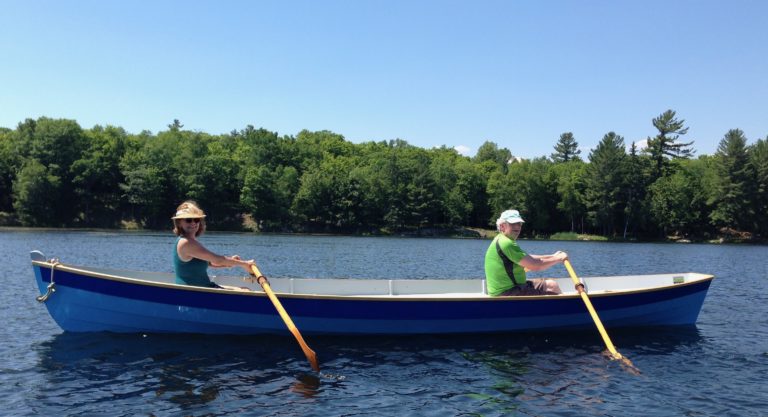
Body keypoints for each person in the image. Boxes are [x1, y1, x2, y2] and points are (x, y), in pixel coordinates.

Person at [171, 201, 256, 288]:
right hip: (192, 292)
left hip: (203, 288)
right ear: (179, 223)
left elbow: (210, 263)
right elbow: (218, 260)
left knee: (245, 289)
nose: (193, 223)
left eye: (196, 220)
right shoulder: (186, 243)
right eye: (188, 220)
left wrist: (231, 262)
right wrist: (245, 264)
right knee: (245, 290)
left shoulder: (189, 241)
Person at [484, 209, 567, 296]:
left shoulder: (501, 239)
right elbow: (535, 265)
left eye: (519, 223)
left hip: (515, 287)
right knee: (552, 292)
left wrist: (552, 256)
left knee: (552, 285)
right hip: (508, 292)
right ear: (502, 226)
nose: (517, 227)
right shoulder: (506, 243)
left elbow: (528, 258)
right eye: (513, 223)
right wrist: (559, 258)